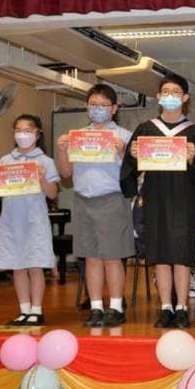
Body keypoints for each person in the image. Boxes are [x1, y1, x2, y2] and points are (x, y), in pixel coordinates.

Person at [121, 75, 195, 329]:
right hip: (155, 199)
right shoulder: (145, 129)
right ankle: (165, 307)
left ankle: (181, 307)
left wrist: (194, 161)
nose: (170, 95)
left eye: (175, 91)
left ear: (185, 98)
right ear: (158, 97)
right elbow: (129, 169)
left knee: (181, 255)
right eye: (165, 91)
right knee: (159, 255)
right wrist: (134, 156)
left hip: (184, 201)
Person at [56, 84, 134, 327]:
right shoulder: (77, 136)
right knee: (90, 257)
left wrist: (122, 153)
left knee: (112, 256)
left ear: (114, 109)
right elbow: (66, 173)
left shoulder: (124, 136)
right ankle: (97, 307)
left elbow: (134, 174)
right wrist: (61, 150)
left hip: (111, 199)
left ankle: (117, 307)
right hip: (83, 200)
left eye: (102, 105)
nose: (97, 109)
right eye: (93, 105)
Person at [0, 114, 59, 326]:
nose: (22, 134)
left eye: (27, 130)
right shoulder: (5, 160)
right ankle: (24, 310)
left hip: (34, 220)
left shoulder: (45, 161)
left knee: (35, 265)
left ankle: (37, 310)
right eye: (18, 130)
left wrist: (42, 178)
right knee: (17, 266)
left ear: (37, 133)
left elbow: (53, 194)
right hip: (10, 220)